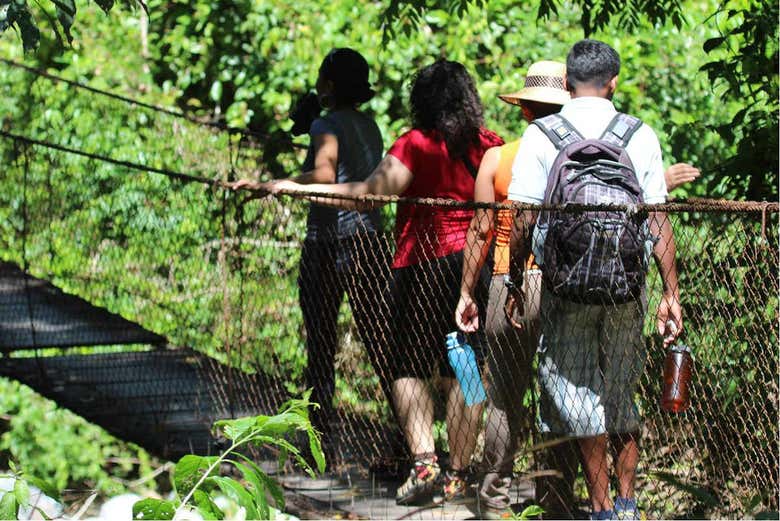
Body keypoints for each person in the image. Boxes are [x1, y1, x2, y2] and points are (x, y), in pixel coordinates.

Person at [262, 59, 504, 505]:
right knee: (465, 369)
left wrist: (297, 188)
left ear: (422, 102)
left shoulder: (415, 144)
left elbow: (371, 193)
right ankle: (459, 472)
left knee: (409, 365)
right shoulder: (489, 145)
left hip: (422, 264)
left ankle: (426, 464)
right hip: (474, 267)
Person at [507, 40, 683, 520]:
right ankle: (628, 505)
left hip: (565, 285)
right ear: (614, 83)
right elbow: (658, 218)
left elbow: (522, 216)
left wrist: (513, 279)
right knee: (621, 390)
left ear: (566, 84)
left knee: (580, 396)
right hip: (627, 284)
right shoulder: (638, 134)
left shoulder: (543, 134)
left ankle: (601, 509)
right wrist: (671, 292)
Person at [229, 48, 393, 460]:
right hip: (370, 240)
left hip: (329, 242)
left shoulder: (326, 122)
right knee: (379, 341)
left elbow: (322, 177)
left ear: (330, 84)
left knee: (320, 345)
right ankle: (406, 441)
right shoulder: (369, 125)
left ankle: (319, 445)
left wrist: (276, 183)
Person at [455, 60, 569, 519]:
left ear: (524, 109)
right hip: (563, 284)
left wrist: (467, 291)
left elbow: (481, 229)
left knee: (504, 395)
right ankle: (555, 501)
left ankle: (495, 502)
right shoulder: (576, 155)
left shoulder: (498, 159)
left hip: (508, 282)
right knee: (559, 394)